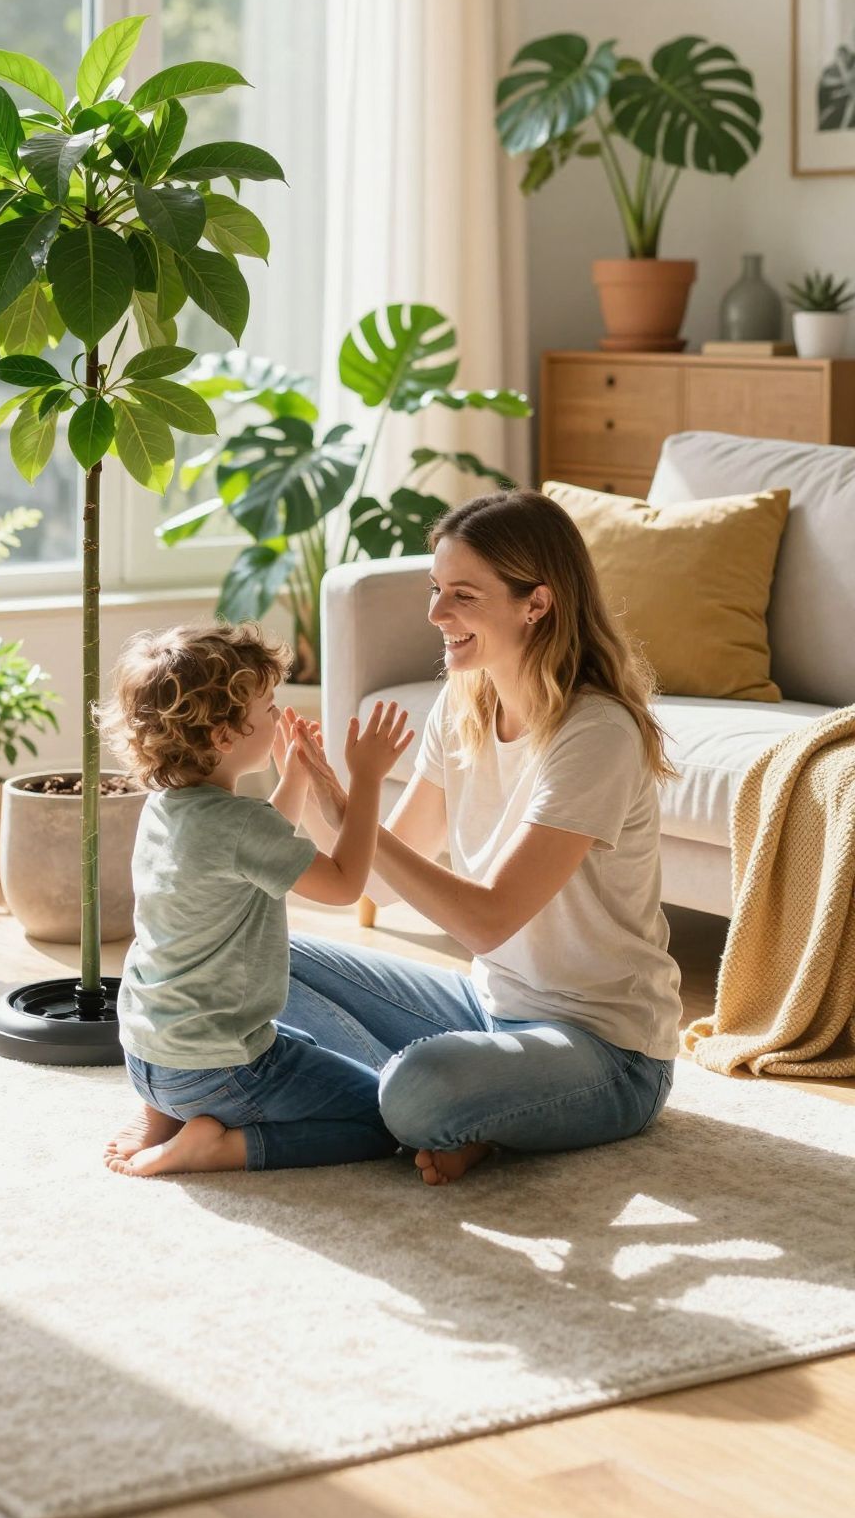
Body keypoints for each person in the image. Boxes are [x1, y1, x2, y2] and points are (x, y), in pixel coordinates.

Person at [287, 488, 683, 1187]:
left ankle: (426, 1106)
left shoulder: (597, 734)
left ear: (537, 602)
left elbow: (487, 919)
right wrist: (329, 797)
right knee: (268, 955)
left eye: (464, 596)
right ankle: (472, 1114)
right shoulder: (464, 702)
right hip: (491, 1005)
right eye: (436, 589)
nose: (437, 615)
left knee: (420, 1086)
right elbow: (374, 886)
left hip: (606, 1051)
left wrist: (361, 815)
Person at [98, 622, 414, 1177]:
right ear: (224, 736)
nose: (277, 715)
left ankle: (161, 1117)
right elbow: (343, 885)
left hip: (148, 1055)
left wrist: (292, 775)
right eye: (268, 707)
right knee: (390, 1119)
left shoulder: (165, 808)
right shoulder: (241, 827)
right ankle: (221, 1148)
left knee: (280, 1029)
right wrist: (365, 780)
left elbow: (260, 846)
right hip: (215, 1072)